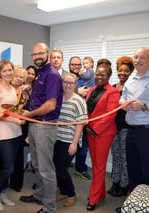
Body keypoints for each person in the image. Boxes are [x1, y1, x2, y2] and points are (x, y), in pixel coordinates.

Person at [20, 43, 63, 213]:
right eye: (34, 54)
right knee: (37, 164)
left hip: (45, 126)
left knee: (46, 169)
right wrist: (30, 93)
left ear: (48, 53)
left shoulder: (51, 74)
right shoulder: (40, 73)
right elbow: (42, 98)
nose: (37, 56)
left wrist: (28, 115)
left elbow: (51, 105)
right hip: (35, 125)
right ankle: (39, 195)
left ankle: (49, 208)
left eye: (41, 53)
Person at [120, 47, 149, 191]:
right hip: (131, 131)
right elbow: (123, 98)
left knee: (148, 171)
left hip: (148, 132)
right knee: (133, 169)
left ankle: (148, 208)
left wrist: (144, 106)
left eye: (142, 57)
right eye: (136, 57)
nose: (138, 61)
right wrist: (122, 104)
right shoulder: (131, 77)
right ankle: (134, 207)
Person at [0, 59, 24, 211]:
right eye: (5, 70)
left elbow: (11, 109)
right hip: (2, 133)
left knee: (9, 166)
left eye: (10, 70)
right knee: (8, 167)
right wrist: (14, 120)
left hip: (15, 132)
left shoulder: (12, 88)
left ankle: (2, 193)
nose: (8, 73)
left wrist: (21, 111)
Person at [85, 64, 120, 211]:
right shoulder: (91, 90)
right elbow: (86, 110)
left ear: (109, 76)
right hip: (89, 130)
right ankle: (101, 193)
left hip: (103, 133)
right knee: (96, 164)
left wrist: (94, 128)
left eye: (103, 75)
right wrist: (86, 126)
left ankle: (93, 199)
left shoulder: (113, 92)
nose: (99, 77)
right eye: (98, 74)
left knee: (99, 166)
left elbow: (110, 114)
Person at [54, 73, 88, 207]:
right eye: (65, 82)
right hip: (57, 139)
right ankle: (63, 191)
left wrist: (74, 143)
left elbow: (81, 123)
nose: (68, 85)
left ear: (75, 85)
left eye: (71, 83)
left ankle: (71, 194)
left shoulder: (78, 101)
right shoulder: (58, 98)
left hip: (69, 140)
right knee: (56, 168)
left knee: (61, 169)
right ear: (61, 83)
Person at [107, 56, 134, 197]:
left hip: (126, 128)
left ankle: (124, 184)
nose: (122, 73)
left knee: (124, 158)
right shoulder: (112, 88)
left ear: (130, 72)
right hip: (113, 128)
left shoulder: (132, 88)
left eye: (126, 71)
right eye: (120, 70)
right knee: (116, 156)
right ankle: (116, 181)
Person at [69, 56, 92, 180]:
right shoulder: (66, 78)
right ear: (69, 66)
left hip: (84, 116)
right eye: (73, 64)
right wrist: (78, 91)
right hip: (69, 118)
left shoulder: (86, 78)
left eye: (78, 64)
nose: (76, 67)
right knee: (67, 144)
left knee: (83, 146)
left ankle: (80, 168)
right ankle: (64, 167)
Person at [9, 65, 28, 192]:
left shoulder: (25, 92)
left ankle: (16, 184)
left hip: (20, 126)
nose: (19, 79)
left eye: (21, 77)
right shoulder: (6, 89)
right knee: (4, 155)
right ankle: (2, 182)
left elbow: (21, 110)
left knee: (18, 155)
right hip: (5, 124)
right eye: (16, 76)